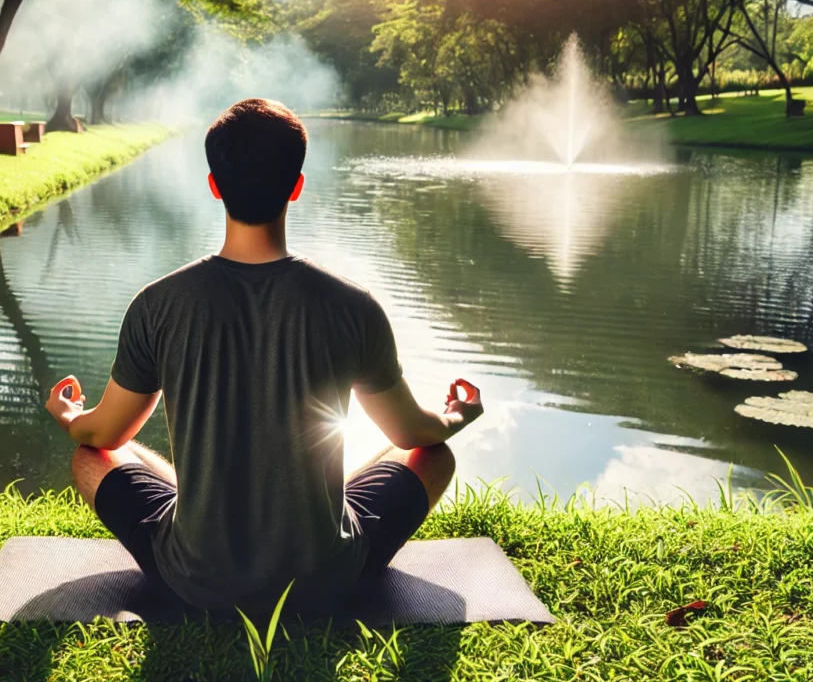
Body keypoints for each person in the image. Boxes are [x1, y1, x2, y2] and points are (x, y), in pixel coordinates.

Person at [45, 98, 484, 615]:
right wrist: (459, 413)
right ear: (296, 187)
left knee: (91, 457)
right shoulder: (354, 306)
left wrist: (69, 414)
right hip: (326, 579)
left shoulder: (156, 305)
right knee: (435, 452)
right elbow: (414, 434)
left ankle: (209, 518)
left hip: (194, 578)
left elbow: (102, 435)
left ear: (214, 185)